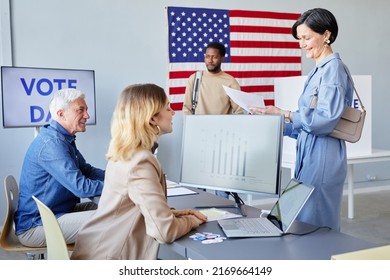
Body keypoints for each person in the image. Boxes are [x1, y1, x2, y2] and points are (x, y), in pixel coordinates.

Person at [71, 84, 207, 260]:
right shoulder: (141, 161)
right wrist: (192, 221)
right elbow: (164, 231)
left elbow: (132, 206)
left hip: (99, 249)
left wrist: (174, 213)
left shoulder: (125, 152)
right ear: (152, 119)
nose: (173, 113)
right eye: (167, 108)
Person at [250, 8, 354, 231]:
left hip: (323, 158)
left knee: (316, 227)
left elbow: (325, 120)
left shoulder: (333, 70)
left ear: (326, 35)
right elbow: (307, 126)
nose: (302, 44)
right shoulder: (318, 71)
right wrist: (277, 125)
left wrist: (285, 113)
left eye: (307, 38)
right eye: (300, 39)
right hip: (310, 155)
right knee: (296, 220)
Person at [14, 88, 105, 247]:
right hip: (37, 226)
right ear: (61, 114)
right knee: (112, 219)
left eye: (86, 110)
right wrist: (119, 185)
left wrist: (117, 176)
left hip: (56, 213)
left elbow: (86, 170)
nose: (87, 116)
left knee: (110, 208)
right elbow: (81, 188)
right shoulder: (52, 145)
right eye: (80, 110)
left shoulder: (62, 139)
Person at [183, 41, 244, 198]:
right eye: (207, 56)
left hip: (221, 141)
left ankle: (222, 215)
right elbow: (187, 109)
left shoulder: (230, 82)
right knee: (196, 185)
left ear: (222, 58)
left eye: (214, 57)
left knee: (221, 187)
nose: (209, 60)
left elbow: (239, 113)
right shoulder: (195, 79)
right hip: (197, 138)